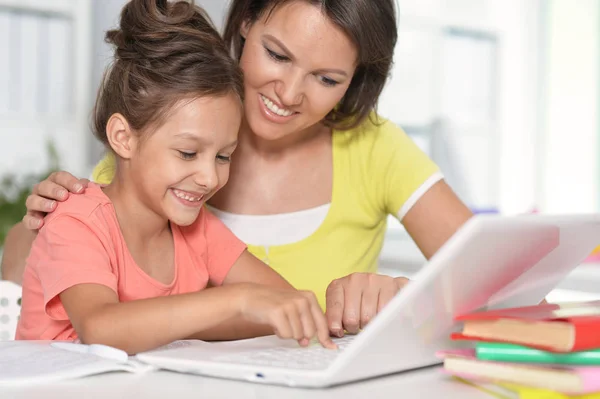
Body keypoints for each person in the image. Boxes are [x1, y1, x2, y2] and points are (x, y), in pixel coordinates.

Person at [3, 0, 473, 338]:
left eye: (327, 79)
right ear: (246, 21)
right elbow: (55, 277)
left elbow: (286, 303)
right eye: (278, 55)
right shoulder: (154, 150)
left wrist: (394, 301)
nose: (289, 93)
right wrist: (43, 215)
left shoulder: (197, 223)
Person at [15, 0, 336, 354]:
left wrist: (251, 307)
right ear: (123, 137)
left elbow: (285, 304)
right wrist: (235, 301)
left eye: (223, 156)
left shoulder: (199, 229)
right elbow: (100, 327)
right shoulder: (77, 219)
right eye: (187, 153)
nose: (208, 178)